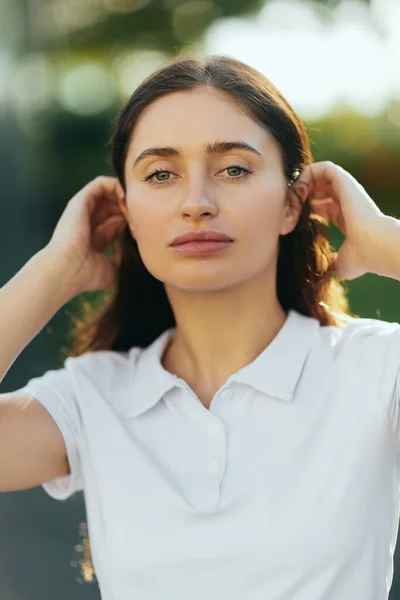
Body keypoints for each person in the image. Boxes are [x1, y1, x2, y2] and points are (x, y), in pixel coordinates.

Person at [1, 54, 400, 600]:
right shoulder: (91, 398)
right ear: (127, 212)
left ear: (292, 203)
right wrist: (52, 271)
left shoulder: (375, 371)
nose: (196, 203)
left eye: (233, 168)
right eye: (161, 175)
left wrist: (384, 241)